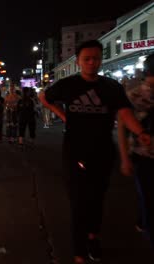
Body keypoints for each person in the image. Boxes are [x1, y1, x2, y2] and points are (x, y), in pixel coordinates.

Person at [39, 39, 151, 264]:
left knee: (97, 200)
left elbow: (125, 113)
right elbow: (44, 97)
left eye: (96, 58)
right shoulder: (68, 84)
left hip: (103, 153)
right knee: (79, 202)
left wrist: (141, 132)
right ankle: (79, 251)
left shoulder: (111, 87)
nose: (92, 63)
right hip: (74, 153)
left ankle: (93, 236)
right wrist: (63, 116)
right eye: (87, 59)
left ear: (101, 59)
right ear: (79, 61)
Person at [118, 53, 154, 247]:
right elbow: (122, 126)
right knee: (148, 198)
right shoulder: (135, 95)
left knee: (147, 198)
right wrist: (124, 157)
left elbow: (121, 128)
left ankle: (144, 222)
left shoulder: (132, 94)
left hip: (141, 156)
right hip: (143, 156)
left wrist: (124, 158)